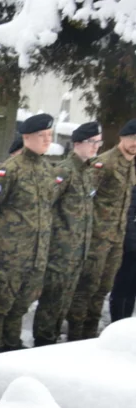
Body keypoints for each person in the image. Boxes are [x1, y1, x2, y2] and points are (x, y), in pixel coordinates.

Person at [0, 113, 56, 356]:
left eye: (49, 136)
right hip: (9, 257)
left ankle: (11, 348)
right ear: (26, 137)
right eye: (42, 136)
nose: (47, 140)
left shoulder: (47, 169)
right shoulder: (10, 170)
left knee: (19, 307)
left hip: (35, 256)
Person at [32, 122, 101, 346]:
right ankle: (42, 344)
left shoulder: (88, 172)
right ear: (78, 143)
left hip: (77, 252)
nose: (96, 147)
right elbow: (46, 206)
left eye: (99, 142)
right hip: (59, 252)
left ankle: (50, 342)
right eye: (92, 142)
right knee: (52, 302)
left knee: (64, 302)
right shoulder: (64, 171)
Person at [67, 119, 136, 340]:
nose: (135, 144)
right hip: (96, 239)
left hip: (117, 239)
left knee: (101, 291)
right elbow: (85, 200)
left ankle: (90, 337)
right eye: (132, 139)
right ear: (121, 138)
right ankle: (75, 338)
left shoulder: (132, 166)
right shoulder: (103, 164)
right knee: (86, 290)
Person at [110, 186, 136, 321]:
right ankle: (117, 323)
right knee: (122, 287)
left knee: (132, 290)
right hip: (129, 248)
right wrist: (132, 245)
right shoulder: (132, 188)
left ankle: (125, 323)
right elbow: (129, 216)